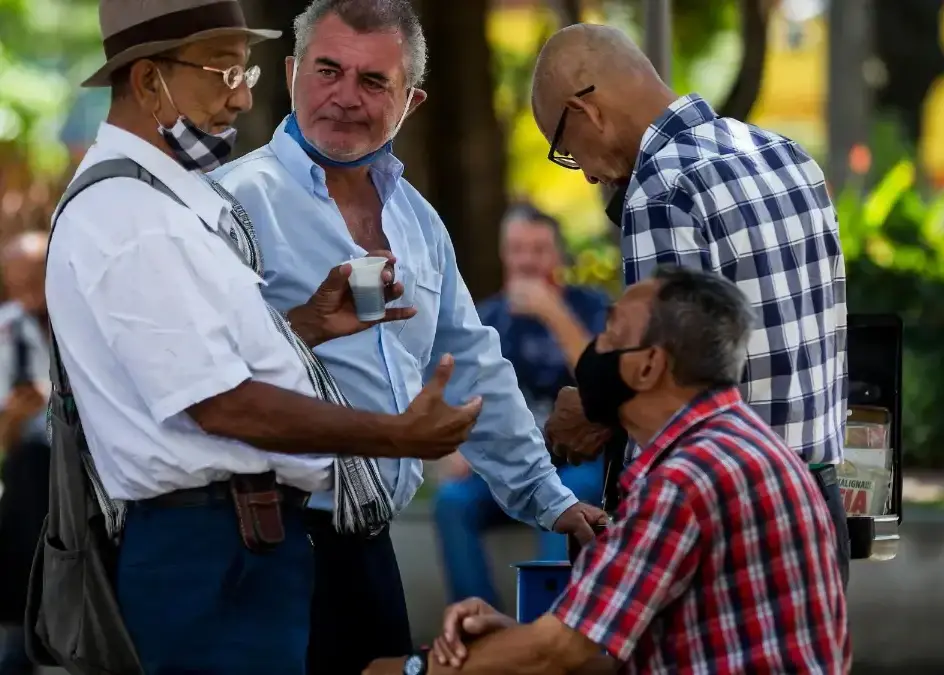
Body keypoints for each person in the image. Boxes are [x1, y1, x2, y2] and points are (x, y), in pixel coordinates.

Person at [47, 1, 481, 673]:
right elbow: (224, 403)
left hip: (239, 550)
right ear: (146, 82)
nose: (244, 95)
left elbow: (202, 358)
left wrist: (306, 324)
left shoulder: (169, 203)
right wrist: (397, 435)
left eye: (242, 69)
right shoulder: (133, 217)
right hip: (208, 551)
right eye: (222, 71)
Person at [210, 1, 607, 673]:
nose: (344, 96)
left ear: (410, 102)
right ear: (292, 70)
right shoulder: (232, 202)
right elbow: (203, 378)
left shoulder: (419, 222)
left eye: (373, 82)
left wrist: (551, 499)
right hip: (259, 547)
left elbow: (474, 366)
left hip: (368, 549)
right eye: (328, 70)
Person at [365, 267, 850, 675]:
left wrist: (410, 668)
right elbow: (603, 642)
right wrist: (515, 636)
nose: (594, 348)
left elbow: (557, 652)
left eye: (612, 333)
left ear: (647, 367)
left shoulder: (685, 480)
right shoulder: (738, 442)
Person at [529, 23, 852, 584]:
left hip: (724, 516)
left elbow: (658, 383)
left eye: (563, 149)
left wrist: (593, 408)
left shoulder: (662, 191)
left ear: (587, 112)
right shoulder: (786, 155)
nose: (582, 172)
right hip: (819, 503)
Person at [434, 203, 610, 606]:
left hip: (575, 460)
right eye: (517, 249)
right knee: (452, 502)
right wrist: (460, 447)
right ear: (503, 254)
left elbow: (602, 382)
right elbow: (461, 395)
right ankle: (480, 626)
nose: (527, 260)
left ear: (559, 256)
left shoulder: (591, 307)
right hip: (509, 463)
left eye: (538, 249)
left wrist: (552, 312)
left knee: (566, 494)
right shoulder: (486, 317)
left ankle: (544, 623)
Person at [0, 232, 51, 675]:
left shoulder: (85, 320)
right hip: (26, 474)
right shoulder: (5, 330)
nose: (26, 288)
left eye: (34, 276)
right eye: (15, 279)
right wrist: (14, 419)